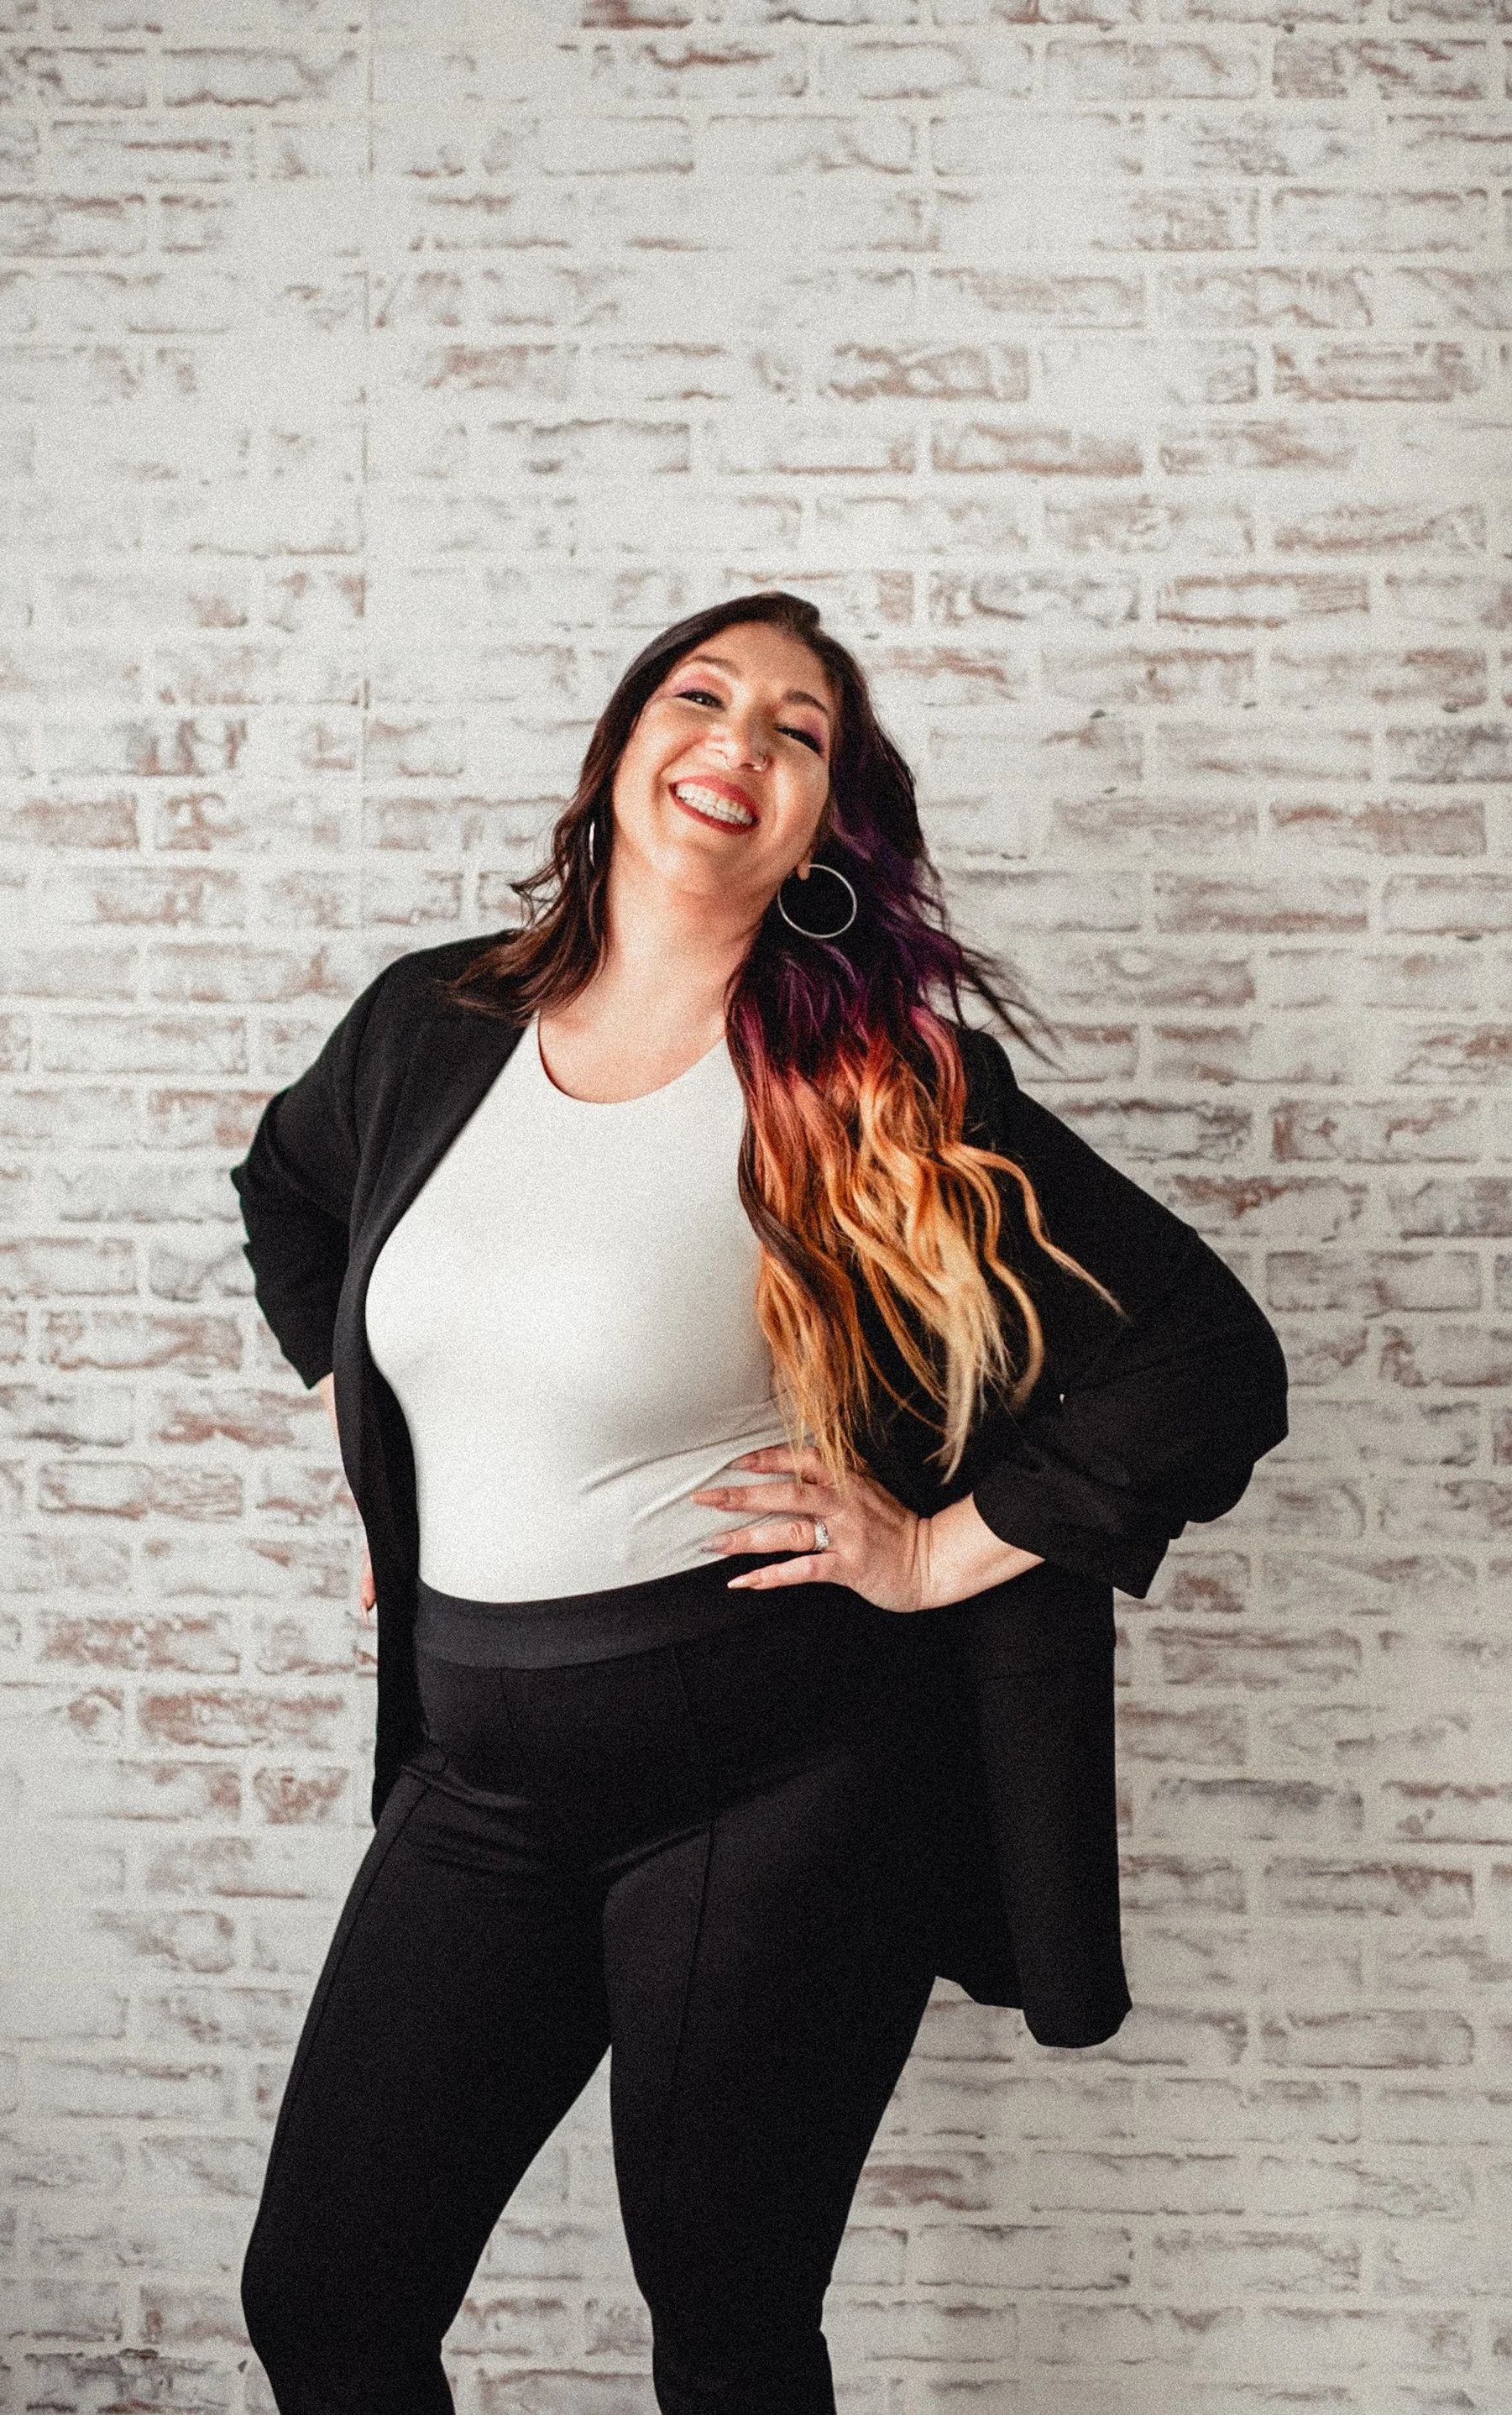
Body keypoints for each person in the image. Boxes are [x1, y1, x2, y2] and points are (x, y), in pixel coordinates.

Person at [231, 591, 1288, 2415]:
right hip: (474, 1772)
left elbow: (1200, 1355)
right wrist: (385, 1466)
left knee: (722, 2327)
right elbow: (291, 1195)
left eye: (799, 730)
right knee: (324, 2300)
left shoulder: (878, 1078)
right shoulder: (430, 1026)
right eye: (701, 693)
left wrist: (941, 1549)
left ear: (828, 824)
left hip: (776, 1775)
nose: (740, 737)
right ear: (623, 746)